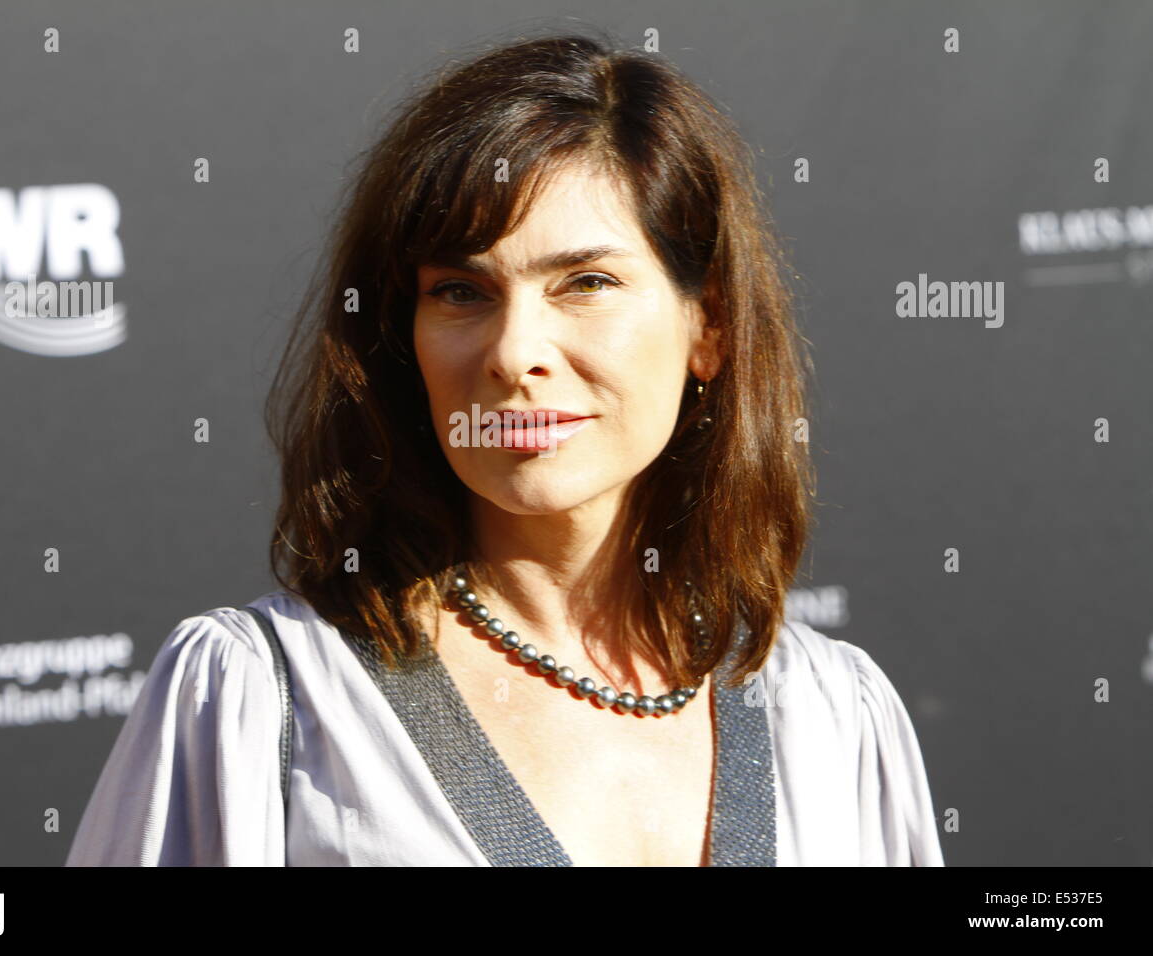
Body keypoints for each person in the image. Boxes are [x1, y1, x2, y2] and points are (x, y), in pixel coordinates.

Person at [66, 31, 944, 867]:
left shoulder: (830, 716)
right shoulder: (264, 701)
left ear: (706, 323)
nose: (514, 351)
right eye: (460, 291)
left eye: (586, 283)